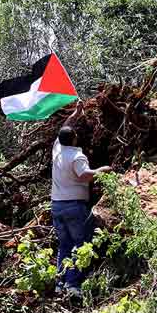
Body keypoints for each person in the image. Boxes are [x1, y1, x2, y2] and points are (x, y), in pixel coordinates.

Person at [51, 100, 112, 296]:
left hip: (57, 205)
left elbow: (63, 128)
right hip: (74, 207)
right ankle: (73, 285)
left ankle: (59, 283)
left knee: (65, 245)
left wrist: (76, 113)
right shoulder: (77, 156)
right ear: (75, 138)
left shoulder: (57, 148)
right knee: (80, 244)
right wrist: (103, 170)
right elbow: (84, 175)